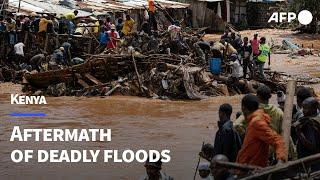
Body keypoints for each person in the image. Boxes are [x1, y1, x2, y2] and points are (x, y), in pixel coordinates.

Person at [236, 94, 286, 167]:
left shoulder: (256, 122)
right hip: (246, 166)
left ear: (243, 108)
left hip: (251, 169)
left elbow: (277, 140)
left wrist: (280, 158)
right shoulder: (254, 119)